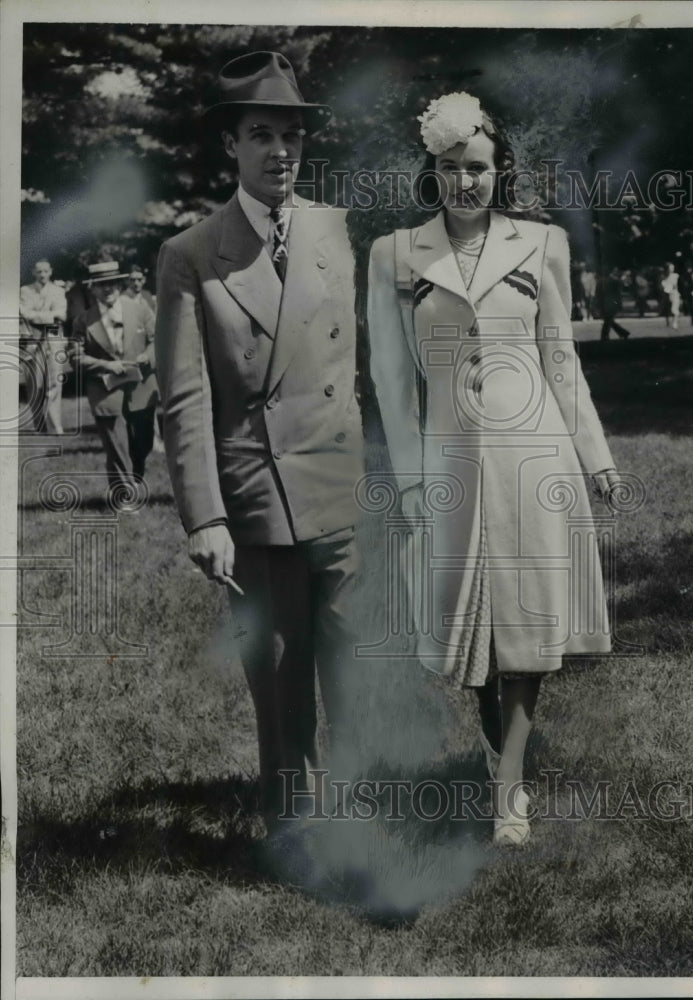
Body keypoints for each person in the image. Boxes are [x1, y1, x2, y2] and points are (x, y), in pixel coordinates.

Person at [368, 92, 620, 846]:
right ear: (432, 172)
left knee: (523, 627)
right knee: (467, 640)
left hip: (531, 453)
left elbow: (559, 357)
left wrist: (594, 455)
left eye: (476, 168)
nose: (464, 182)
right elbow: (388, 380)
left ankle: (508, 787)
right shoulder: (394, 254)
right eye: (449, 169)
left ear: (498, 169)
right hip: (450, 463)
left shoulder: (540, 244)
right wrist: (412, 480)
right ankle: (494, 762)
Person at [154, 51, 364, 824]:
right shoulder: (190, 253)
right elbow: (182, 398)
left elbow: (368, 364)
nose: (280, 151)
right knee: (280, 677)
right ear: (230, 147)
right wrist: (204, 515)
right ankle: (294, 828)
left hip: (343, 486)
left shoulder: (340, 232)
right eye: (261, 134)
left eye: (292, 136)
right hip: (257, 496)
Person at [68, 260, 158, 488]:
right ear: (92, 288)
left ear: (119, 284)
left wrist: (147, 356)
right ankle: (124, 495)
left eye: (111, 283)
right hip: (104, 390)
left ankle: (135, 473)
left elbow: (158, 340)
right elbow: (75, 357)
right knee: (116, 444)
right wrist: (105, 366)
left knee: (143, 442)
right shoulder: (83, 320)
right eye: (101, 285)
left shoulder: (139, 309)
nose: (107, 289)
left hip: (140, 386)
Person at [19, 259, 68, 434]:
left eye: (46, 271)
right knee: (34, 383)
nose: (42, 275)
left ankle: (57, 426)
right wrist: (49, 316)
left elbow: (61, 314)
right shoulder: (25, 291)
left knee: (55, 382)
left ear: (51, 272)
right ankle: (40, 425)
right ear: (33, 272)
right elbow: (25, 313)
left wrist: (37, 316)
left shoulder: (58, 291)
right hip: (32, 339)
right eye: (39, 271)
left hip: (54, 338)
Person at [122, 266, 165, 453]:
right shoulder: (122, 301)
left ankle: (155, 439)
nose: (136, 283)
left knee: (151, 399)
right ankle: (131, 441)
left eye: (139, 279)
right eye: (132, 279)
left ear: (144, 280)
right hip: (131, 356)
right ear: (127, 281)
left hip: (151, 353)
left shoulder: (148, 297)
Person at [599, 266, 631, 340]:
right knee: (609, 320)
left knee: (607, 321)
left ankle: (604, 336)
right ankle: (623, 333)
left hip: (609, 304)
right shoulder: (614, 281)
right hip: (611, 304)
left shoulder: (607, 281)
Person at [660, 262, 680, 330]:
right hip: (666, 294)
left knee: (674, 310)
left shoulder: (675, 276)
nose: (672, 269)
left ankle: (675, 323)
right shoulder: (663, 277)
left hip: (674, 294)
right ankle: (668, 322)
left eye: (672, 268)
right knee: (666, 310)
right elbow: (663, 286)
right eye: (670, 268)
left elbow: (675, 286)